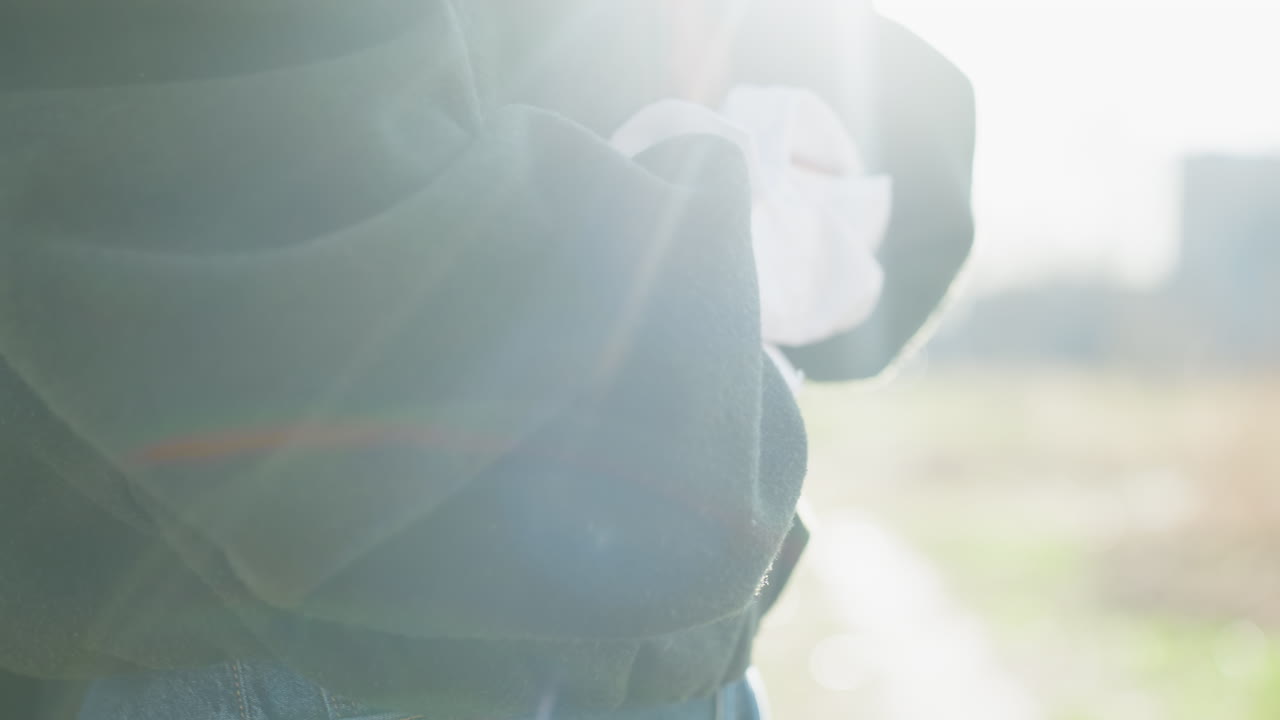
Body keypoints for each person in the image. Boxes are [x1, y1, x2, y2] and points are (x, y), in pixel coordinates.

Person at [0, 1, 973, 719]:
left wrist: (762, 184)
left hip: (624, 636)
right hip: (277, 648)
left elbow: (899, 181)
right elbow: (210, 151)